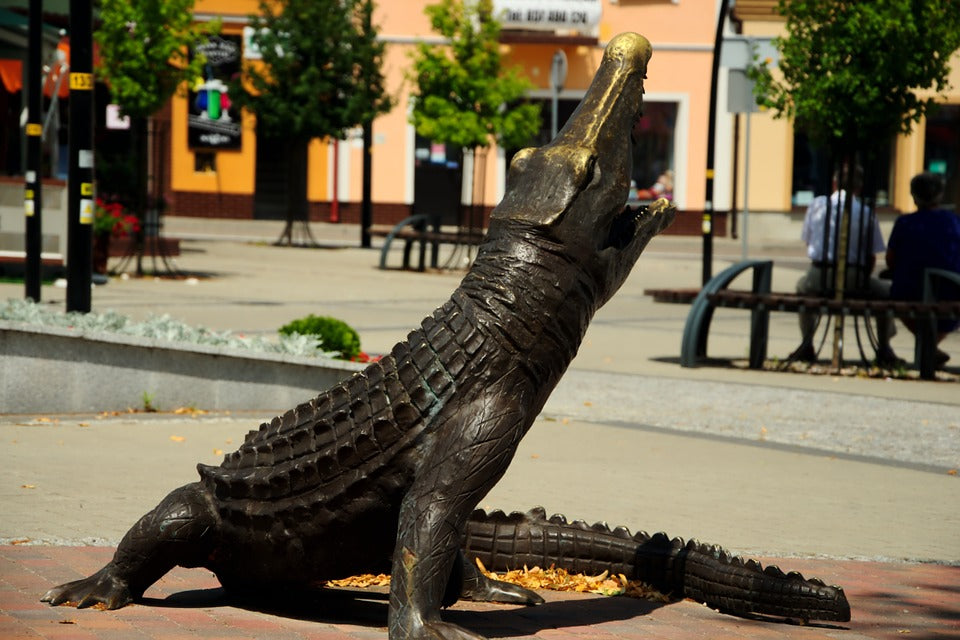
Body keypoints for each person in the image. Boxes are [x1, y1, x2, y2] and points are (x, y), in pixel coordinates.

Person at [789, 166, 898, 364]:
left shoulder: (817, 206)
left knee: (802, 286)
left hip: (819, 275)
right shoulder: (866, 212)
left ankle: (807, 343)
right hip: (855, 278)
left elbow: (809, 242)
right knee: (887, 293)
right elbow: (872, 256)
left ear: (834, 183)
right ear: (860, 187)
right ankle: (884, 346)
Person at [885, 172, 960, 368]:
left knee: (895, 297)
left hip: (909, 290)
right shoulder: (953, 221)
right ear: (940, 195)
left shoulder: (904, 223)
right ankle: (931, 346)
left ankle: (929, 346)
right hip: (951, 289)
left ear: (913, 195)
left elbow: (890, 260)